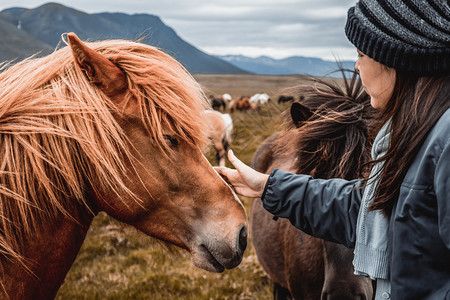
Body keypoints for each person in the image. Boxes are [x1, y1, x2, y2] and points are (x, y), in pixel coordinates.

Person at [215, 0, 450, 299]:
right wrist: (269, 185)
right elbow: (368, 210)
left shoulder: (444, 140)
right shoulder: (416, 135)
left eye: (361, 54)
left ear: (395, 59)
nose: (356, 66)